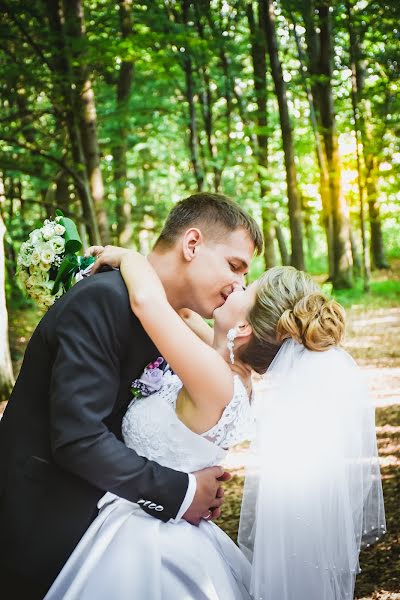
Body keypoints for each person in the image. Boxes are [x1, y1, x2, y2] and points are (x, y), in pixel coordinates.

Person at [45, 246, 384, 600]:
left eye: (246, 290)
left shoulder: (215, 380)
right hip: (157, 512)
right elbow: (187, 314)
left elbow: (148, 302)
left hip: (150, 537)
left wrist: (129, 258)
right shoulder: (226, 367)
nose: (235, 285)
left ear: (243, 328)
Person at [0, 193, 263, 599]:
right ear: (192, 244)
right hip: (46, 528)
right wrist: (183, 491)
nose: (238, 285)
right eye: (234, 265)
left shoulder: (168, 322)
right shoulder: (101, 300)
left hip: (116, 529)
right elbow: (79, 438)